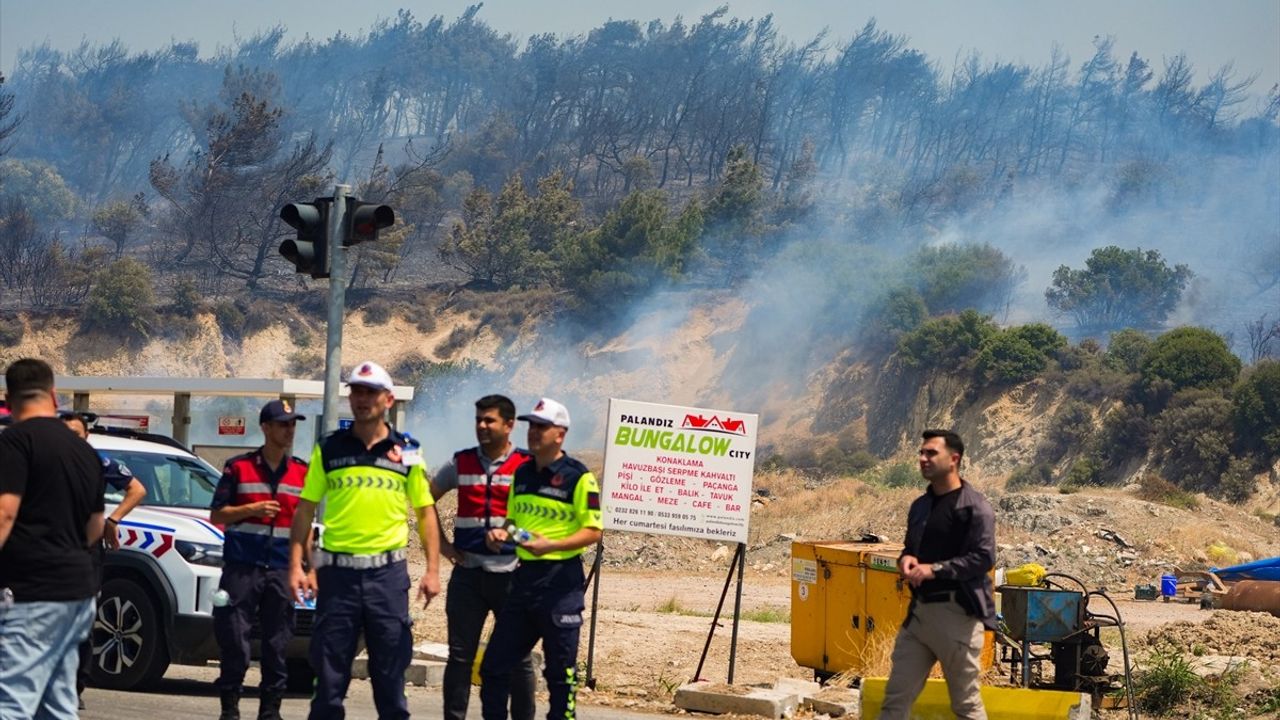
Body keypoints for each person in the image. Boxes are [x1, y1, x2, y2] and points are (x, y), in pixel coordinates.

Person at [287, 361, 442, 720]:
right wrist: (297, 563)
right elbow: (305, 510)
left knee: (390, 686)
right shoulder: (328, 449)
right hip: (337, 579)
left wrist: (433, 570)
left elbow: (425, 512)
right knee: (327, 686)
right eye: (356, 391)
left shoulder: (407, 450)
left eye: (370, 392)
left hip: (386, 579)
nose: (361, 399)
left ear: (388, 399)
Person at [480, 398, 603, 720]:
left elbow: (593, 531)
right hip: (523, 581)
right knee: (493, 668)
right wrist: (502, 534)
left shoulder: (579, 476)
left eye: (541, 426)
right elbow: (512, 522)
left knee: (560, 676)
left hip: (561, 584)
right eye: (531, 425)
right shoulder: (521, 474)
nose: (533, 432)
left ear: (560, 434)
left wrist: (552, 545)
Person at [0, 359, 104, 719]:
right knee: (56, 705)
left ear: (8, 398)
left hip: (32, 592)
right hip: (78, 593)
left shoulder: (14, 442)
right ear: (54, 395)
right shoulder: (86, 452)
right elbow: (95, 528)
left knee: (10, 703)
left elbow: (5, 513)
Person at [878, 429, 996, 720]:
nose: (922, 458)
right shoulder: (920, 506)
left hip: (957, 616)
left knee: (966, 706)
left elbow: (983, 558)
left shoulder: (974, 507)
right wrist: (905, 561)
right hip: (919, 616)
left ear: (954, 459)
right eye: (921, 453)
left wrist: (935, 569)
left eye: (931, 453)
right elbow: (910, 550)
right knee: (894, 703)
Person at [432, 395, 536, 720]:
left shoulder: (528, 467)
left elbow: (540, 526)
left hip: (513, 577)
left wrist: (513, 535)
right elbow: (425, 502)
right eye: (478, 419)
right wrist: (444, 547)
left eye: (489, 420)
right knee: (460, 658)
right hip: (468, 577)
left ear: (509, 425)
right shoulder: (459, 462)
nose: (481, 426)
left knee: (518, 658)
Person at [210, 400, 309, 720]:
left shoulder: (302, 471)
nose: (289, 430)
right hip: (242, 569)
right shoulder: (238, 468)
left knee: (278, 644)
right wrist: (249, 510)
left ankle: (270, 711)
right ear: (265, 428)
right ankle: (230, 708)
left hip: (281, 570)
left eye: (293, 424)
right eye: (283, 424)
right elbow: (217, 514)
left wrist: (310, 567)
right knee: (235, 643)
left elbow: (303, 526)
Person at [61, 411, 147, 710]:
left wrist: (114, 519)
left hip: (87, 553)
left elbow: (137, 489)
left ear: (87, 437)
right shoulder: (43, 463)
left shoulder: (100, 463)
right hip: (50, 551)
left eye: (77, 434)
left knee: (83, 620)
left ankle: (75, 688)